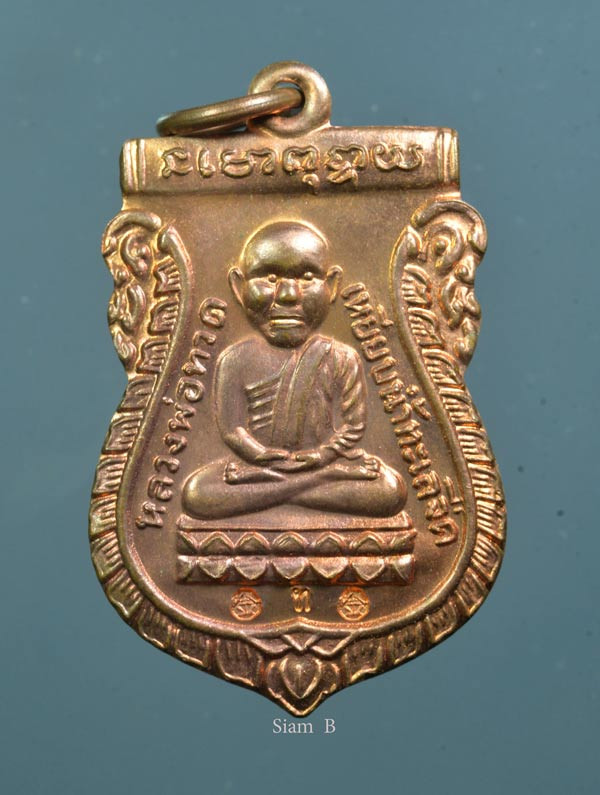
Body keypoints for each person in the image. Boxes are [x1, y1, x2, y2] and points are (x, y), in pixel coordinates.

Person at [182, 220, 406, 520]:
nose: (288, 294)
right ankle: (308, 486)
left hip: (318, 464)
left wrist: (321, 456)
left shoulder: (342, 356)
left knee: (389, 490)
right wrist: (259, 454)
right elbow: (233, 428)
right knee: (197, 492)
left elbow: (353, 426)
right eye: (270, 278)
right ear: (238, 287)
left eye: (307, 277)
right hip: (261, 468)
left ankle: (287, 489)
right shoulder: (234, 359)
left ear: (332, 286)